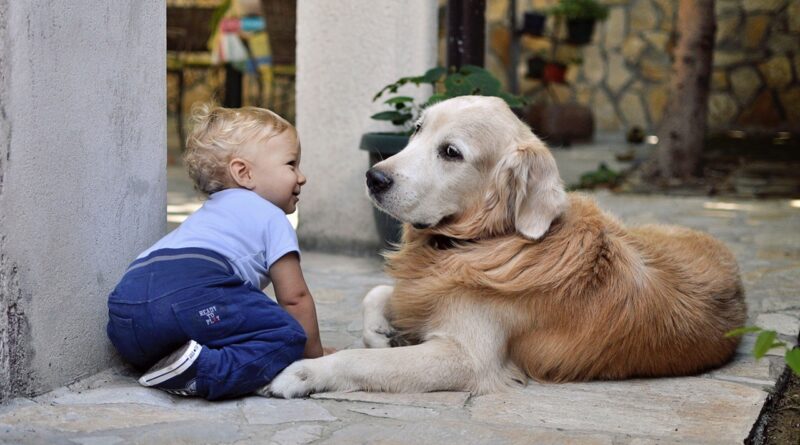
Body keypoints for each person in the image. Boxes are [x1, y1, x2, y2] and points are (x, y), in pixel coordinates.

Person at [106, 104, 328, 400]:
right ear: (243, 173)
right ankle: (204, 372)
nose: (301, 177)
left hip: (126, 309)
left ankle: (175, 361)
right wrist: (315, 359)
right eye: (291, 164)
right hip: (191, 291)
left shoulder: (208, 215)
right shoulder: (272, 216)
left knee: (223, 319)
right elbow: (295, 298)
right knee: (286, 336)